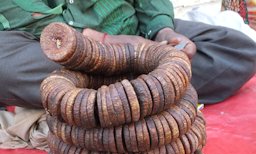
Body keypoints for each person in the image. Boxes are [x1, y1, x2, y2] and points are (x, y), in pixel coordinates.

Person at [0, 0, 255, 109]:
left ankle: (99, 97)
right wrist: (102, 42)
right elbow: (26, 16)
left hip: (134, 34)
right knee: (5, 66)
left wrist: (162, 29)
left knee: (237, 50)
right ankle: (152, 86)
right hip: (55, 43)